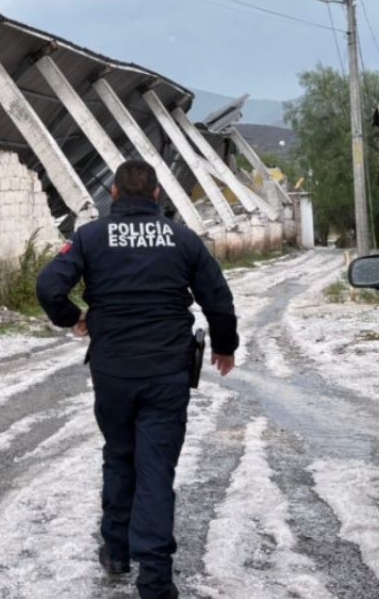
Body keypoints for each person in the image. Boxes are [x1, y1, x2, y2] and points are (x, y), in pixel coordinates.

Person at [36, 159, 239, 599]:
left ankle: (116, 549)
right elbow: (218, 299)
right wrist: (225, 345)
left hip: (113, 372)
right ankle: (155, 577)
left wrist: (74, 318)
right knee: (155, 467)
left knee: (120, 453)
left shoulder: (90, 237)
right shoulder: (183, 239)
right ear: (157, 195)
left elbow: (49, 286)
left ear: (113, 195)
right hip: (167, 372)